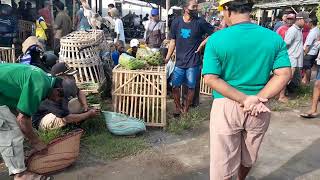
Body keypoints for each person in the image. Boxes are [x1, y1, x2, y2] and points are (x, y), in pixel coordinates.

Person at [203, 0, 292, 179]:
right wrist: (257, 98)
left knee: (222, 163)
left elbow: (211, 78)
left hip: (226, 105)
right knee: (249, 157)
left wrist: (244, 100)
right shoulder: (273, 38)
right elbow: (284, 74)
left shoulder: (217, 39)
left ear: (227, 10)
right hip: (260, 107)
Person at [0, 63, 73, 180]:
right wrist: (35, 141)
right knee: (11, 132)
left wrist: (31, 137)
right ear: (58, 90)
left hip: (3, 95)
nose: (57, 100)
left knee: (13, 126)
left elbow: (21, 116)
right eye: (60, 98)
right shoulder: (39, 84)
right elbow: (23, 119)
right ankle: (20, 175)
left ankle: (15, 160)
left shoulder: (43, 78)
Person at [165, 0, 214, 115]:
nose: (196, 9)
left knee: (191, 87)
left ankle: (186, 109)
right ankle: (178, 107)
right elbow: (173, 41)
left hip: (193, 62)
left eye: (197, 7)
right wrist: (167, 58)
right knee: (175, 86)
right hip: (179, 62)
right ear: (186, 8)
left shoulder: (200, 22)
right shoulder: (176, 22)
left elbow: (213, 33)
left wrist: (203, 43)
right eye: (194, 7)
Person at [32, 63, 98, 130]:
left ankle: (73, 124)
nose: (72, 77)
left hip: (59, 113)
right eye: (69, 75)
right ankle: (68, 128)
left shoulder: (63, 85)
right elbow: (66, 118)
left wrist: (85, 106)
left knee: (77, 102)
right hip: (42, 120)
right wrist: (89, 114)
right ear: (60, 76)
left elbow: (79, 92)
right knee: (62, 118)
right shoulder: (50, 92)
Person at [278, 12, 309, 103]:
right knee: (287, 77)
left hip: (296, 58)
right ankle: (281, 96)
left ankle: (284, 94)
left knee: (294, 78)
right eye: (305, 21)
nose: (306, 23)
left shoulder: (299, 30)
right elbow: (285, 44)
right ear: (299, 19)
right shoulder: (293, 30)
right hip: (291, 57)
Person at [302, 17, 320, 84]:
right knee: (309, 67)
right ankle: (305, 80)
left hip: (309, 52)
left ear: (311, 23)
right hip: (314, 52)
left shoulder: (312, 32)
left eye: (308, 23)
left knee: (307, 68)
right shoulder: (317, 29)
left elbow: (308, 45)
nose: (306, 24)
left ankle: (307, 82)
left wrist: (304, 53)